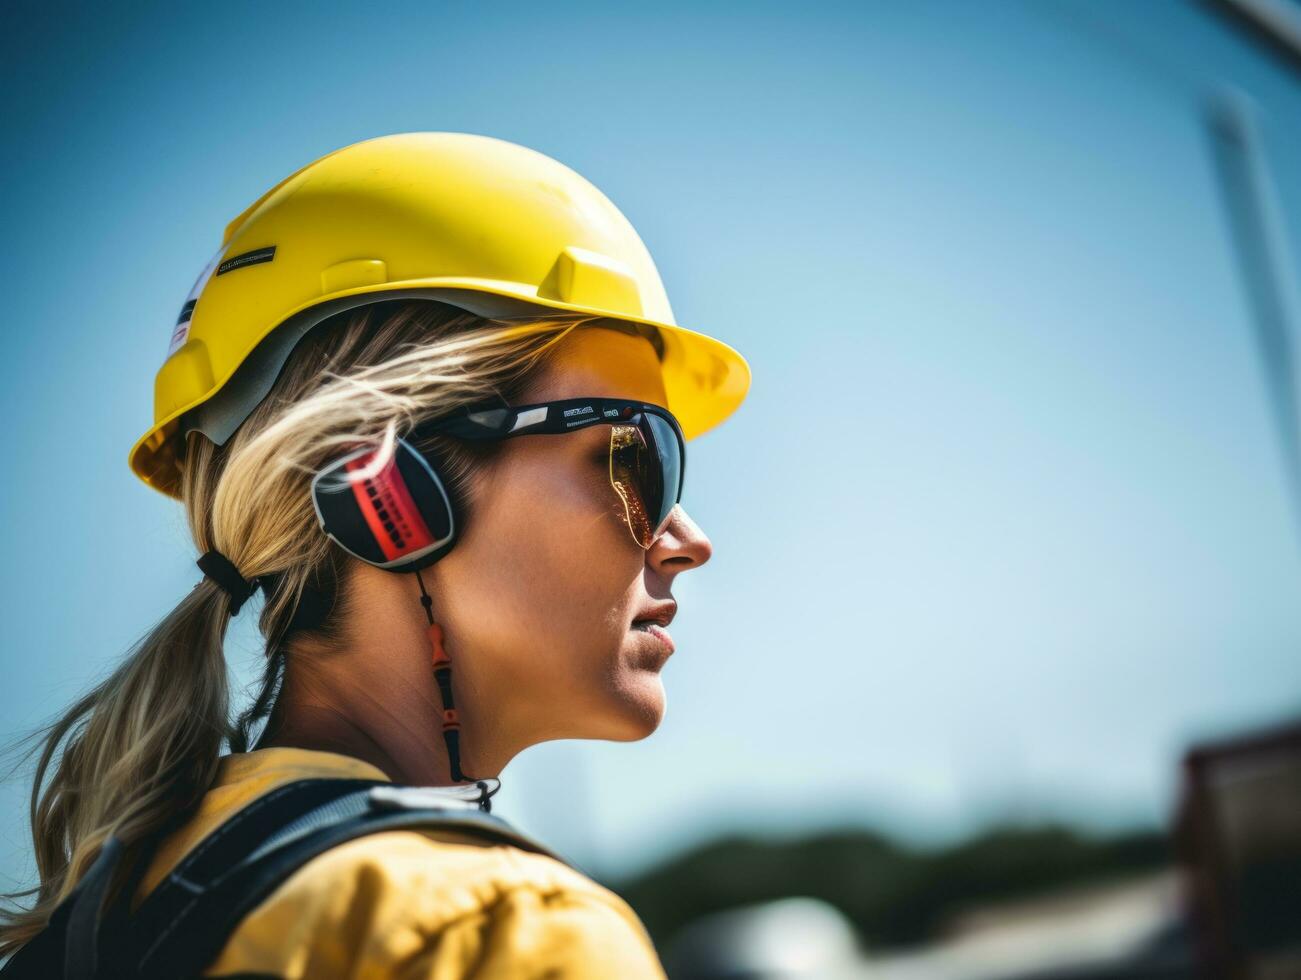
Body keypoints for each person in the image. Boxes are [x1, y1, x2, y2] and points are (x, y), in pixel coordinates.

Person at [0, 132, 750, 977]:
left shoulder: (114, 902)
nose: (688, 541)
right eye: (633, 458)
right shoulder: (494, 935)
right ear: (387, 488)